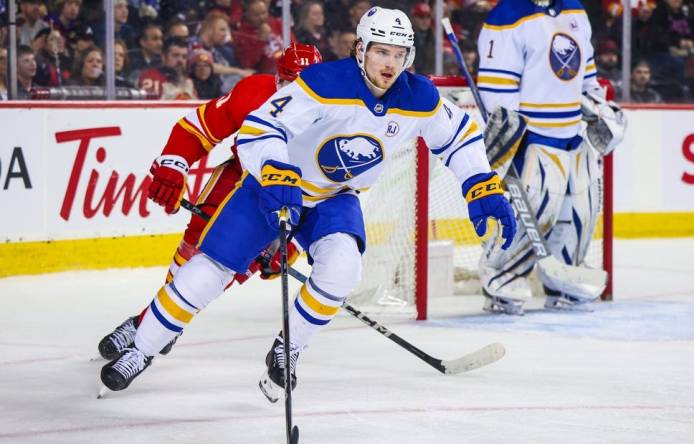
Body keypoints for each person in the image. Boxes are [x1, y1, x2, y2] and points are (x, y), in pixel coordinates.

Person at [99, 7, 515, 396]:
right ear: (361, 50)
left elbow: (458, 136)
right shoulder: (323, 83)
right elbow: (262, 126)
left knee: (343, 268)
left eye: (399, 53)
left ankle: (289, 348)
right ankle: (143, 348)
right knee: (205, 273)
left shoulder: (419, 97)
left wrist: (480, 184)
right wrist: (275, 171)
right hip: (272, 187)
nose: (389, 63)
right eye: (381, 51)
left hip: (334, 197)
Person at [97, 43, 323, 367]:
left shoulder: (336, 114)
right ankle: (155, 323)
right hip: (238, 180)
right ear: (278, 78)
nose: (292, 94)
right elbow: (198, 127)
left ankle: (147, 325)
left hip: (292, 197)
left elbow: (331, 190)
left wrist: (291, 242)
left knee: (220, 271)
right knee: (190, 252)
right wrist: (175, 165)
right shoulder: (254, 92)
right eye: (287, 83)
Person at [476, 0, 626, 313]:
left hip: (573, 135)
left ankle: (564, 282)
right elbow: (497, 92)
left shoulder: (574, 9)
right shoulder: (507, 16)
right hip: (533, 136)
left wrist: (598, 109)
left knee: (579, 215)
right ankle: (501, 279)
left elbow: (586, 77)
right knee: (535, 212)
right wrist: (511, 140)